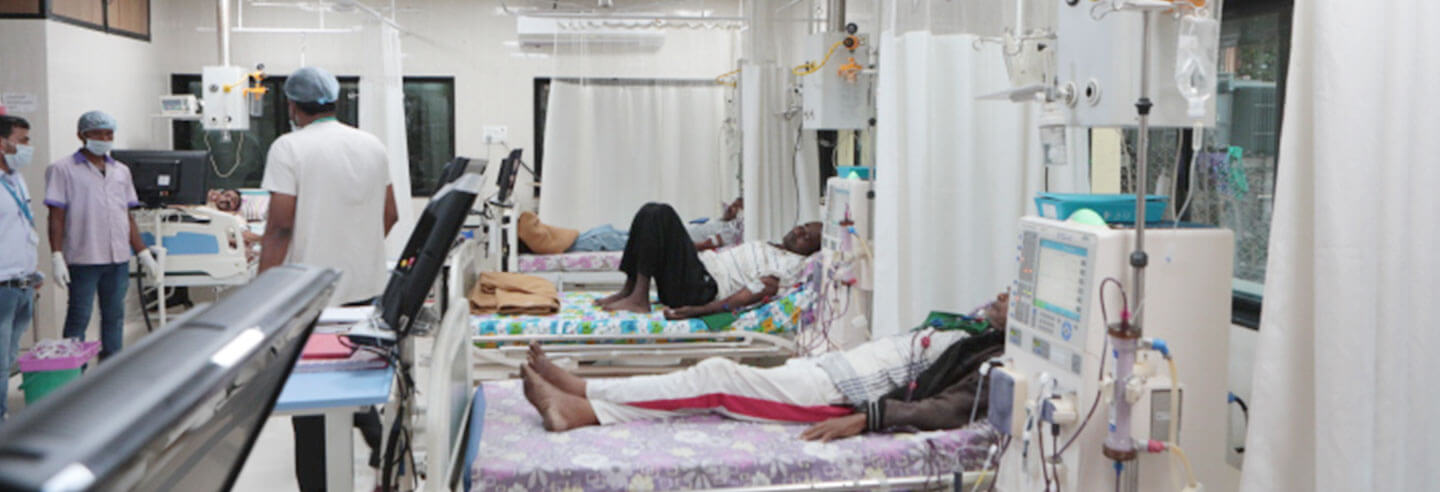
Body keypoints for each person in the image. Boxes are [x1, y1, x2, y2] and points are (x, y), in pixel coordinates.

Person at [519, 293, 1010, 439]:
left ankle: (584, 406)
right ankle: (585, 394)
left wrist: (870, 418)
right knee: (711, 376)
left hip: (837, 398)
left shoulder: (999, 360)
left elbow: (951, 408)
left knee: (714, 378)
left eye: (1014, 297)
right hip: (828, 371)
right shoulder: (977, 332)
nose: (1003, 294)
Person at [256, 66, 397, 492]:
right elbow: (390, 214)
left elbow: (280, 227)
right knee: (357, 379)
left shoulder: (289, 147)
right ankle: (381, 446)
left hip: (313, 297)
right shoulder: (372, 145)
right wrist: (356, 249)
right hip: (365, 290)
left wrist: (264, 292)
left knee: (312, 411)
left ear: (292, 105)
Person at [44, 111, 160, 360]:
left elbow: (126, 216)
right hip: (83, 257)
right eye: (98, 134)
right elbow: (56, 216)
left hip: (118, 257)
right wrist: (56, 255)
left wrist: (142, 252)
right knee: (79, 317)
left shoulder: (121, 171)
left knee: (114, 317)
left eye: (109, 134)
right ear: (81, 135)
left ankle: (111, 367)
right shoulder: (62, 169)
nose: (105, 139)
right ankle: (73, 372)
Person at [593, 202, 820, 318]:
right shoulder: (772, 246)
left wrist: (699, 311)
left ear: (811, 251)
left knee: (662, 213)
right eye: (802, 227)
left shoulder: (790, 265)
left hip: (701, 289)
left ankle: (639, 300)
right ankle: (630, 290)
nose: (798, 232)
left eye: (806, 237)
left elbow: (757, 290)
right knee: (649, 211)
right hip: (694, 276)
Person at [516, 197, 745, 254]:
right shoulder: (724, 223)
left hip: (669, 238)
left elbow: (693, 245)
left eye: (737, 205)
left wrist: (706, 244)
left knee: (603, 237)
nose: (733, 205)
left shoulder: (729, 234)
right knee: (605, 233)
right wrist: (727, 215)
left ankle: (538, 238)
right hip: (668, 233)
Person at [0, 115, 42, 422]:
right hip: (2, 286)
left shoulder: (15, 178)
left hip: (22, 284)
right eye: (22, 140)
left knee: (9, 358)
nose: (28, 146)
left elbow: (21, 229)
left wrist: (33, 271)